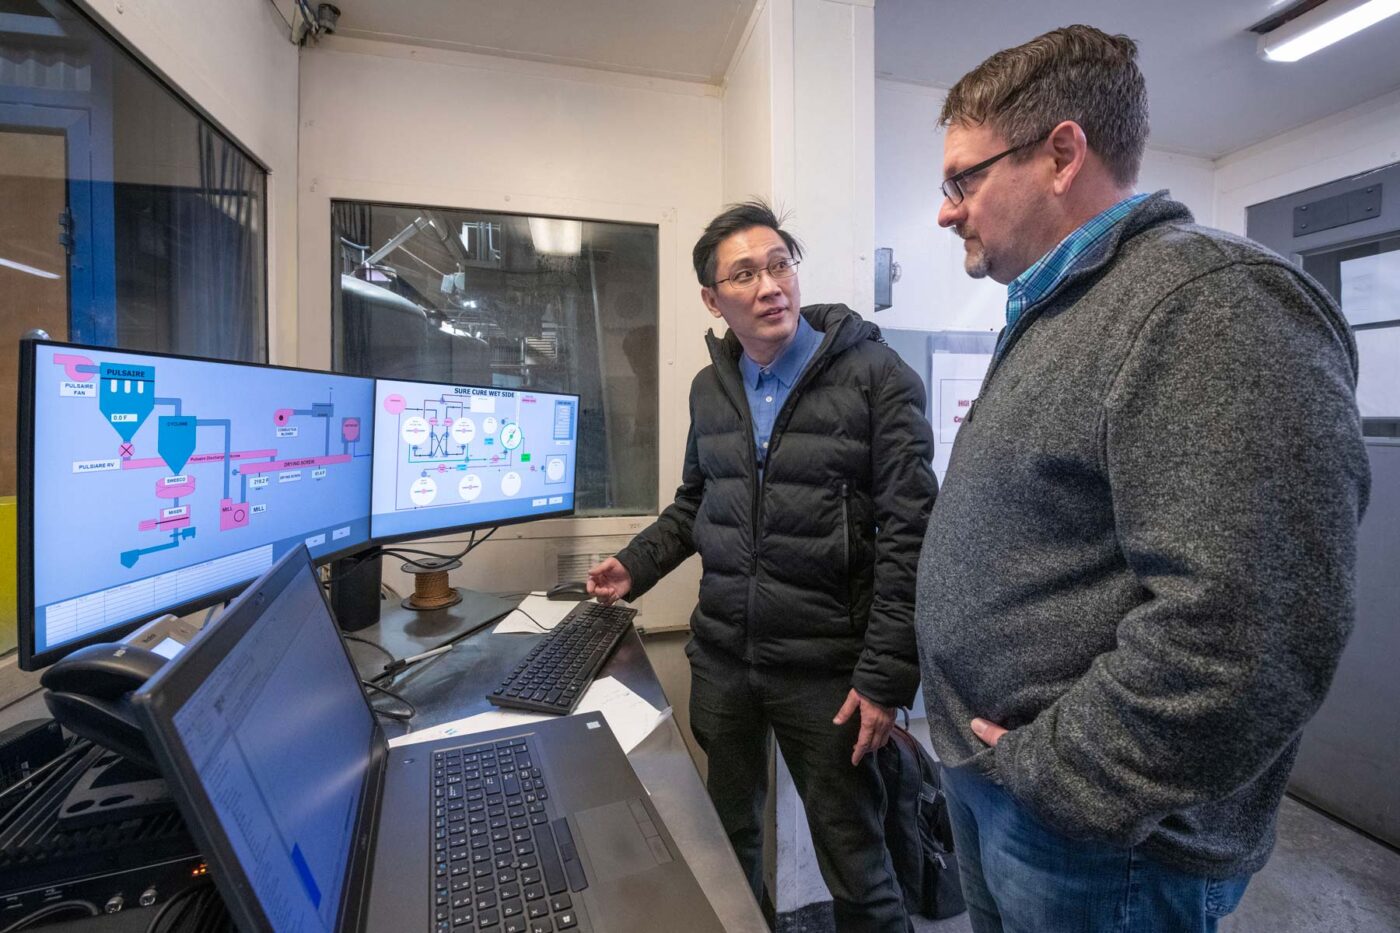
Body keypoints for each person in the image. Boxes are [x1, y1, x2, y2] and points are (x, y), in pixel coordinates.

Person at [913, 24, 1371, 933]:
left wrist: (1060, 773)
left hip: (1102, 835)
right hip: (999, 782)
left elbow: (1255, 627)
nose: (946, 209)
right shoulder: (1062, 310)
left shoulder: (1209, 303)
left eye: (962, 179)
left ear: (1061, 154)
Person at [588, 201, 935, 931]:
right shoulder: (710, 388)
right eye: (745, 273)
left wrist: (883, 678)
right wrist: (633, 565)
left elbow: (912, 533)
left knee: (859, 866)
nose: (770, 284)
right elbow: (695, 504)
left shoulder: (876, 376)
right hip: (726, 661)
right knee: (726, 845)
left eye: (780, 264)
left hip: (829, 675)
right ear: (715, 300)